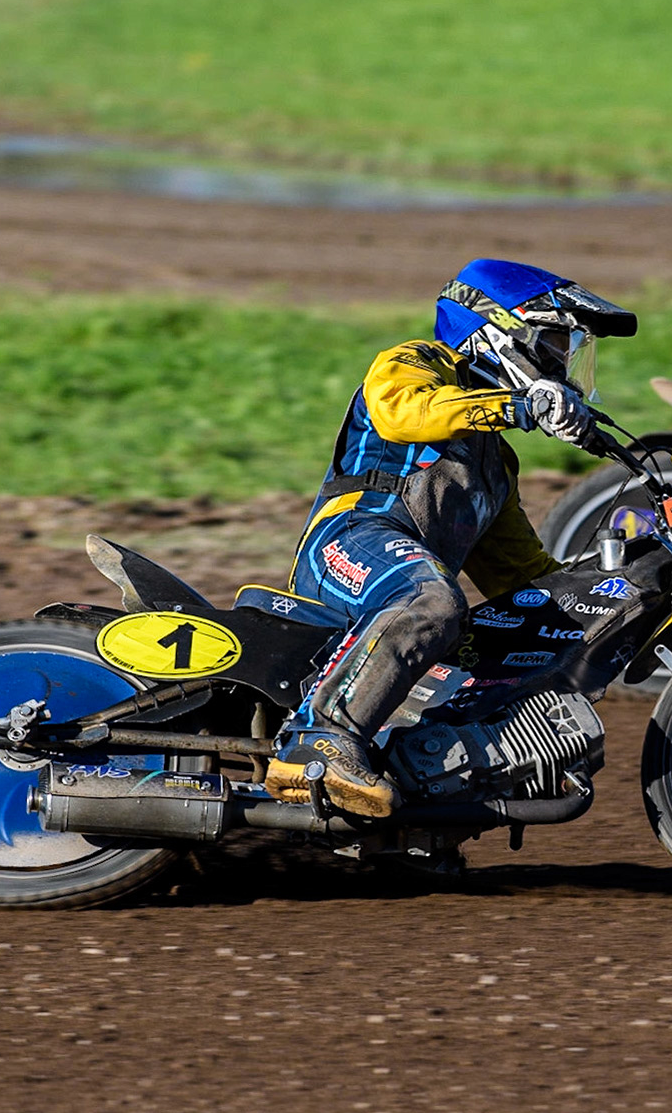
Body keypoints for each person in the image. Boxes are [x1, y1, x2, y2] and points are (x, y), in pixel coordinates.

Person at [260, 258, 636, 817]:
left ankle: (440, 772)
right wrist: (515, 405)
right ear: (499, 333)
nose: (561, 363)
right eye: (554, 343)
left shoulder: (494, 463)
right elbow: (403, 411)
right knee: (435, 603)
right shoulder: (415, 363)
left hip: (406, 580)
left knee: (520, 633)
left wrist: (619, 589)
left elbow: (523, 575)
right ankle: (315, 740)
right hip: (353, 539)